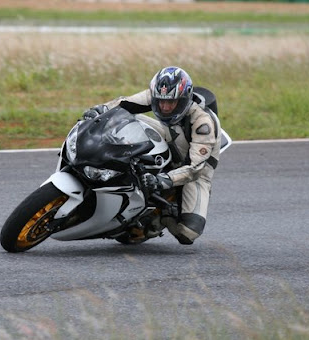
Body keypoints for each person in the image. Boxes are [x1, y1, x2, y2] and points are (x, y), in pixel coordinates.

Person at [82, 66, 222, 245]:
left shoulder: (203, 122)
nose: (164, 107)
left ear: (184, 100)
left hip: (196, 169)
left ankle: (161, 216)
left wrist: (163, 180)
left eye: (171, 103)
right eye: (160, 102)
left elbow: (195, 169)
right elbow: (123, 104)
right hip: (169, 137)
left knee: (188, 232)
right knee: (124, 119)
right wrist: (99, 110)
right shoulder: (160, 95)